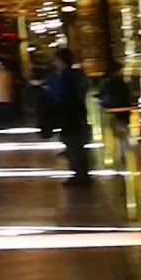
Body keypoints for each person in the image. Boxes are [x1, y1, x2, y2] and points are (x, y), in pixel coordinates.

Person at [47, 48, 92, 186]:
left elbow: (63, 96)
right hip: (76, 114)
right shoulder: (76, 75)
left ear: (62, 61)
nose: (54, 63)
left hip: (70, 115)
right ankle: (80, 173)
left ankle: (80, 175)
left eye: (56, 60)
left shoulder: (66, 77)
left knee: (74, 145)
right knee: (75, 145)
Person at [0, 61, 18, 128]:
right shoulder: (7, 73)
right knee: (6, 108)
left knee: (0, 109)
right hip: (6, 94)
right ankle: (8, 120)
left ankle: (2, 121)